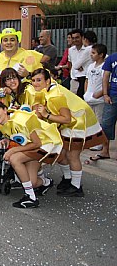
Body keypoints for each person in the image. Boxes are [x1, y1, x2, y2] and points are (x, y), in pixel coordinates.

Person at [29, 68, 108, 197]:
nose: (35, 83)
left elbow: (66, 118)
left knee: (72, 156)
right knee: (63, 153)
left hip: (79, 123)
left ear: (48, 81)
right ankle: (68, 179)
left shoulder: (55, 95)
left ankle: (76, 187)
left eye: (39, 80)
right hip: (71, 124)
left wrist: (46, 115)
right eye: (33, 80)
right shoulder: (48, 90)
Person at [0, 100, 63, 208]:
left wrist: (12, 150)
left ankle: (31, 197)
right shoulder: (1, 125)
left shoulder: (21, 120)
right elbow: (14, 134)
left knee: (15, 159)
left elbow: (37, 143)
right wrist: (6, 139)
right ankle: (46, 182)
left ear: (5, 110)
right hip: (33, 147)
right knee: (31, 183)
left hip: (49, 144)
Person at [85, 43, 108, 156]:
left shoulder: (104, 67)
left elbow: (106, 82)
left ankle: (99, 142)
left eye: (93, 53)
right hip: (89, 98)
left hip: (99, 99)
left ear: (101, 55)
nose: (91, 55)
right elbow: (87, 80)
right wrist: (86, 93)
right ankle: (91, 140)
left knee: (100, 121)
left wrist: (99, 94)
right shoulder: (90, 66)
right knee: (91, 120)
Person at [99, 51, 117, 161]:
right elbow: (105, 76)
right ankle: (105, 150)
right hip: (113, 95)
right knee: (106, 124)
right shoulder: (112, 57)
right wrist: (105, 94)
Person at [67, 28, 91, 97]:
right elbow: (70, 63)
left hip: (85, 78)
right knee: (74, 100)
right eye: (73, 38)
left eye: (77, 37)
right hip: (74, 79)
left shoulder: (88, 49)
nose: (75, 40)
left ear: (82, 37)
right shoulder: (71, 50)